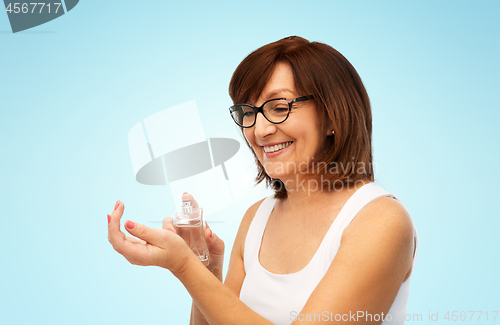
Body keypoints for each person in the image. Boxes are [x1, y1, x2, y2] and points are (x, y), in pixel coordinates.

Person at [107, 36, 418, 325]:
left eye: (279, 107)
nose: (259, 130)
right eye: (249, 112)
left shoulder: (381, 220)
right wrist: (206, 269)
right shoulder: (257, 217)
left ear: (332, 116)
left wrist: (185, 268)